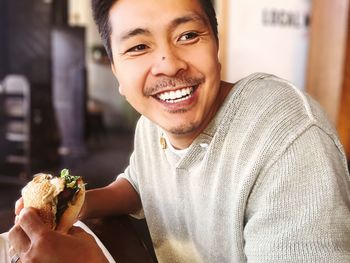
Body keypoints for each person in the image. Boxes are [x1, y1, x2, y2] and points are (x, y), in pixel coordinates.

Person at [8, 0, 350, 262]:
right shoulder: (151, 123)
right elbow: (143, 184)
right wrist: (77, 204)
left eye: (188, 35)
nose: (170, 63)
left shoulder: (287, 139)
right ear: (116, 71)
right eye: (139, 46)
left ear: (215, 44)